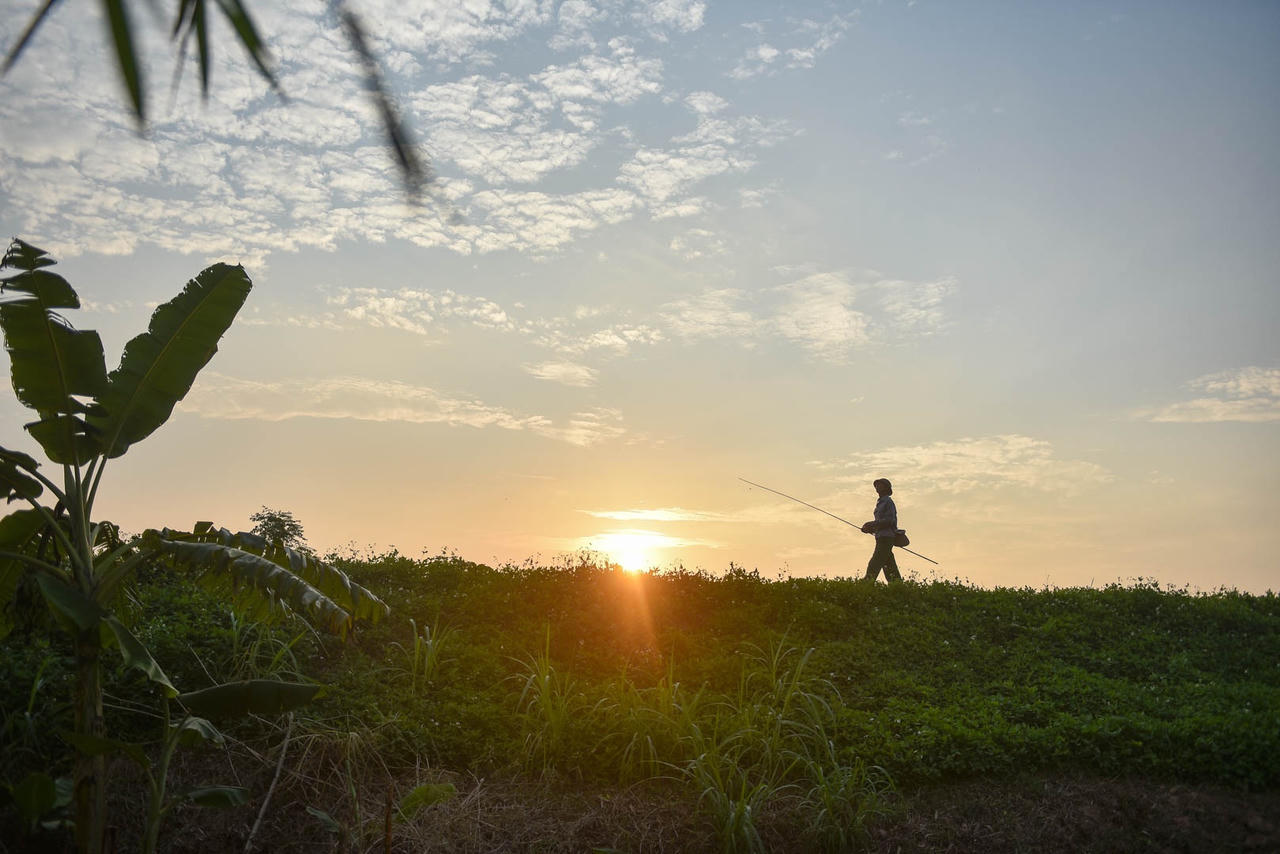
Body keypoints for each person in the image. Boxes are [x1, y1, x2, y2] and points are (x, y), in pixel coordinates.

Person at [860, 478, 902, 583]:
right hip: (880, 537)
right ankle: (897, 584)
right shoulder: (880, 502)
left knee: (876, 562)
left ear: (886, 488)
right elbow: (881, 522)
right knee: (888, 564)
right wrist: (870, 529)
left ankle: (867, 582)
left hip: (886, 537)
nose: (877, 487)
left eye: (880, 485)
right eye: (876, 485)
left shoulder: (888, 501)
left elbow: (890, 520)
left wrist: (872, 524)